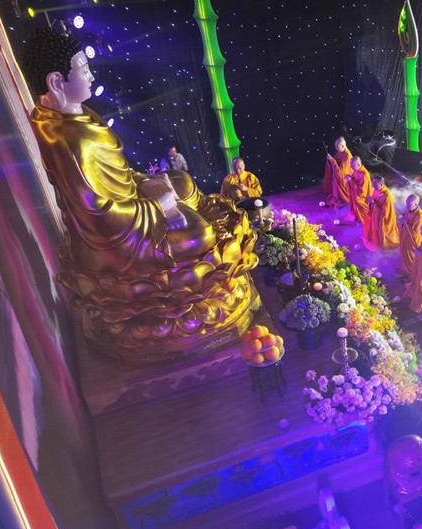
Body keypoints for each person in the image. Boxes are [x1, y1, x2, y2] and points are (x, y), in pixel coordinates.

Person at [22, 27, 258, 358]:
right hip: (120, 242)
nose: (91, 76)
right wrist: (158, 208)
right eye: (84, 70)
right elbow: (99, 218)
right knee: (202, 235)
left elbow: (118, 176)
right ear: (56, 82)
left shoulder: (78, 116)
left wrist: (149, 184)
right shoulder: (66, 139)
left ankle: (183, 210)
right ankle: (169, 304)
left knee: (182, 181)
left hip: (132, 205)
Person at [365, 177, 400, 250]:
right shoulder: (376, 190)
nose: (373, 185)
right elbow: (374, 201)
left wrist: (373, 204)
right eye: (372, 183)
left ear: (381, 184)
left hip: (383, 219)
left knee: (383, 233)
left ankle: (382, 244)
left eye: (375, 184)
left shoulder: (387, 196)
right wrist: (370, 202)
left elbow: (385, 213)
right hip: (375, 216)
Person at [399, 194, 422, 273]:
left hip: (412, 242)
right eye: (406, 203)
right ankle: (405, 270)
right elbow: (404, 216)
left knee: (411, 258)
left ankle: (412, 273)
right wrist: (401, 218)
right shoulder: (409, 210)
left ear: (416, 204)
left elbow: (416, 233)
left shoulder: (420, 216)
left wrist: (405, 223)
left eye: (409, 203)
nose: (407, 205)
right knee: (404, 255)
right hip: (405, 239)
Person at [323, 136, 353, 206]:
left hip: (345, 178)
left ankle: (341, 199)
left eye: (337, 147)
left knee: (337, 180)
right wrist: (330, 158)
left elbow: (341, 173)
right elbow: (336, 160)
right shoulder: (340, 152)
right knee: (334, 181)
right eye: (335, 146)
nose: (336, 148)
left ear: (343, 146)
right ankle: (337, 198)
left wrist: (332, 160)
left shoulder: (347, 155)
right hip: (339, 175)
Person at [345, 156, 372, 224]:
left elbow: (362, 191)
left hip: (362, 197)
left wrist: (350, 181)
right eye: (350, 165)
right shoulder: (356, 171)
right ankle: (357, 216)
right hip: (356, 193)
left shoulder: (364, 174)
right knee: (354, 199)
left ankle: (363, 218)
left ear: (358, 164)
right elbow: (354, 180)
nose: (350, 167)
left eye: (352, 165)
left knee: (357, 199)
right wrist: (349, 178)